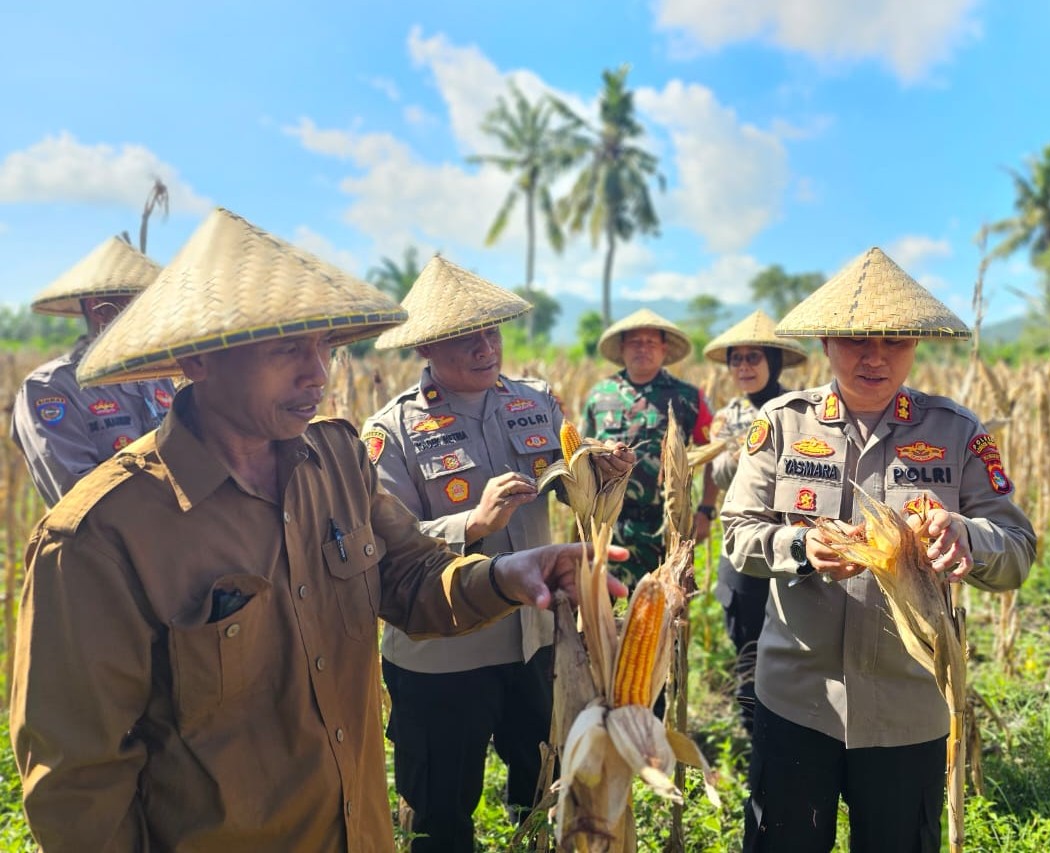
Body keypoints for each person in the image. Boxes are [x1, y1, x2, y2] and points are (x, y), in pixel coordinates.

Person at [9, 208, 627, 853]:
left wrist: (505, 574)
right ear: (197, 360)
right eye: (286, 348)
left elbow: (410, 576)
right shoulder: (99, 535)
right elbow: (80, 782)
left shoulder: (336, 459)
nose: (318, 374)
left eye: (324, 347)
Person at [722, 247, 1037, 852]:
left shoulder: (957, 432)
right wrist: (801, 545)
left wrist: (967, 537)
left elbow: (1017, 547)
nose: (874, 356)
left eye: (894, 341)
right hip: (798, 700)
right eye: (856, 340)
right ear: (825, 345)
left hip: (908, 706)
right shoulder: (782, 425)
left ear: (915, 345)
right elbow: (737, 533)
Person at [362, 256, 634, 852]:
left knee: (539, 791)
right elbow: (386, 547)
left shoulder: (535, 402)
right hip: (442, 653)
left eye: (493, 332)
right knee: (440, 816)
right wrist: (473, 522)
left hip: (534, 637)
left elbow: (566, 482)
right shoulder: (392, 432)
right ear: (427, 348)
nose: (487, 348)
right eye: (467, 338)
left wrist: (600, 472)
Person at [698, 310, 808, 736]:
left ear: (773, 362)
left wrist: (754, 458)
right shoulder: (727, 418)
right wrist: (752, 459)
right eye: (736, 359)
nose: (743, 367)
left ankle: (793, 724)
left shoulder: (804, 410)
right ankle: (752, 725)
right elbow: (721, 473)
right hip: (743, 544)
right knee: (746, 639)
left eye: (753, 358)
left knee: (796, 639)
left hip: (797, 543)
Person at [10, 236, 177, 506]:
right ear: (98, 309)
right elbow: (80, 496)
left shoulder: (161, 379)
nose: (154, 318)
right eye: (141, 306)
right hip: (104, 545)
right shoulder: (51, 388)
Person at [581, 308, 712, 588]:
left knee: (665, 614)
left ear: (664, 349)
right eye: (635, 342)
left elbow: (711, 453)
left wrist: (706, 511)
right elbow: (579, 454)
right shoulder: (599, 394)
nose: (643, 348)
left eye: (651, 342)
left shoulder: (688, 397)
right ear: (622, 348)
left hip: (665, 527)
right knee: (604, 610)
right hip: (608, 524)